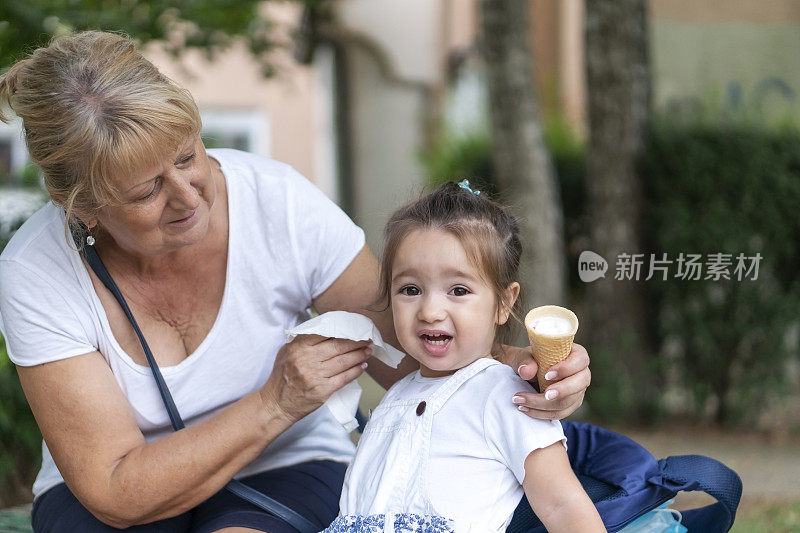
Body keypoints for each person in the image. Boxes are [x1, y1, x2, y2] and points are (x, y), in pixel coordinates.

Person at [0, 31, 591, 533]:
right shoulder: (37, 273)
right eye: (146, 190)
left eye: (186, 157)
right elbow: (112, 487)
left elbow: (411, 347)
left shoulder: (279, 203)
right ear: (82, 208)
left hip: (287, 467)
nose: (187, 197)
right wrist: (273, 403)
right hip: (119, 494)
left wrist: (532, 374)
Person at [326, 182, 606, 532]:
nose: (430, 311)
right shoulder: (395, 397)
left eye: (458, 290)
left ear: (504, 302)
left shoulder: (506, 395)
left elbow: (564, 505)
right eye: (410, 290)